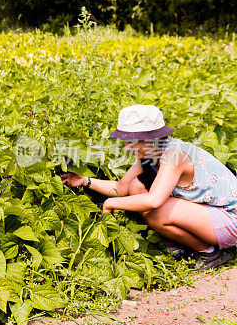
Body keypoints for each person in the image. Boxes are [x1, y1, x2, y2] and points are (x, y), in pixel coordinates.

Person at [63, 104, 234, 270]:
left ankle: (208, 253)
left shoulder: (173, 155)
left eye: (131, 141)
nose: (127, 147)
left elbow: (153, 201)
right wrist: (85, 180)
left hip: (230, 218)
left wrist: (110, 204)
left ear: (150, 138)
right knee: (135, 186)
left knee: (156, 212)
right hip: (210, 212)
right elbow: (121, 188)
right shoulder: (150, 153)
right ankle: (183, 246)